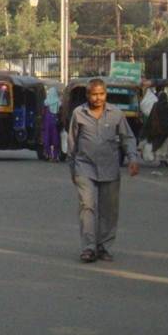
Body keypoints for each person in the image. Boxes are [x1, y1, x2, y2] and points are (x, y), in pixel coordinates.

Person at [67, 78, 140, 263]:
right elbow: (72, 143)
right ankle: (89, 248)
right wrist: (73, 169)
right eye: (94, 94)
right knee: (87, 206)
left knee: (109, 210)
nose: (97, 98)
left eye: (101, 94)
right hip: (85, 167)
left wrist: (132, 158)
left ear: (106, 94)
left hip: (110, 168)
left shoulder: (116, 114)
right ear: (87, 95)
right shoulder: (78, 114)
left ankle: (104, 247)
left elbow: (128, 138)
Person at [141, 89, 168, 168]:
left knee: (159, 145)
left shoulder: (156, 105)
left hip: (157, 130)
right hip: (166, 130)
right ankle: (163, 160)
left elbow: (151, 117)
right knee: (164, 145)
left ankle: (162, 160)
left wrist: (146, 130)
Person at [42, 85, 61, 162]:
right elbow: (61, 112)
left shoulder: (46, 102)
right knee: (55, 139)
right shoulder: (58, 102)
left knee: (47, 138)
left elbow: (43, 113)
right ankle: (55, 156)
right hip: (55, 122)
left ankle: (49, 155)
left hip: (47, 122)